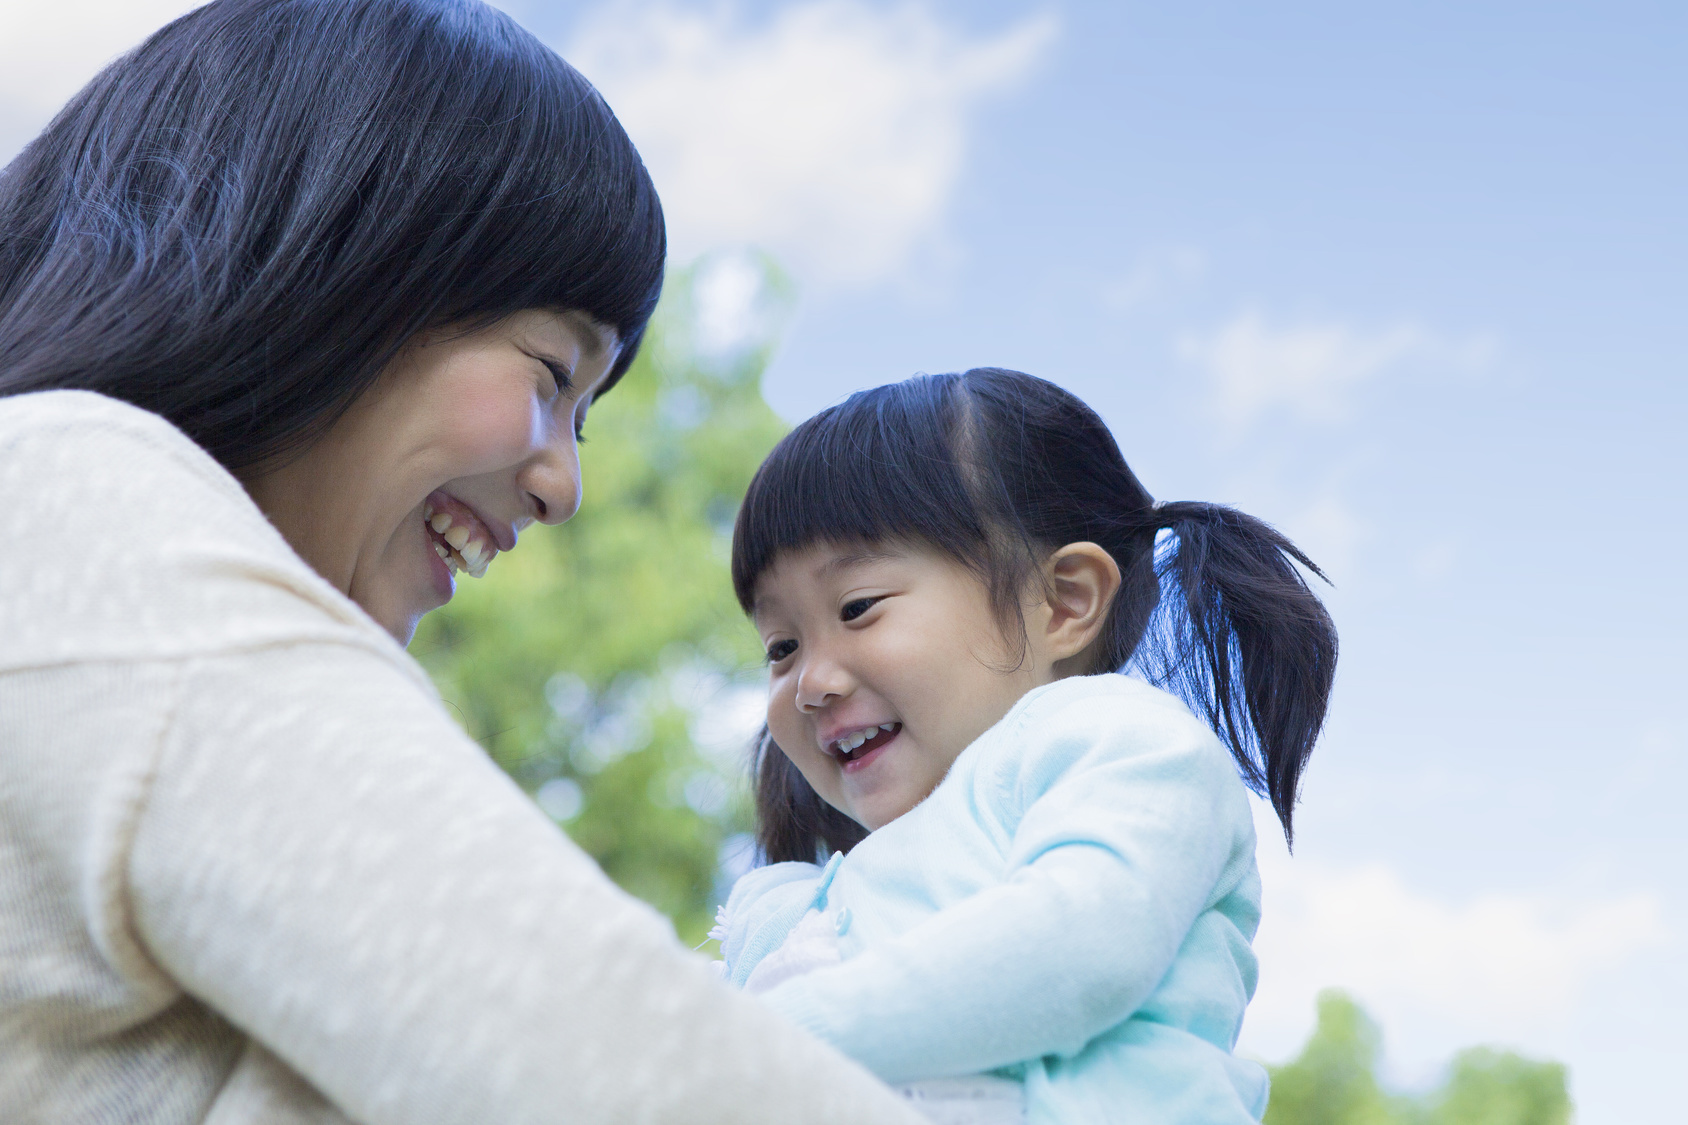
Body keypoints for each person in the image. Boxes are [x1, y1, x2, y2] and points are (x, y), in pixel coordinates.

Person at [0, 2, 932, 1122]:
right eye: (547, 373)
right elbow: (630, 1060)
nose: (562, 486)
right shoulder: (83, 508)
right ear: (335, 259)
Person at [713, 368, 1340, 1123]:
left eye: (857, 607)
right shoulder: (817, 897)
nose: (809, 681)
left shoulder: (1126, 745)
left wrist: (761, 1041)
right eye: (780, 646)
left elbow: (1080, 945)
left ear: (1065, 601)